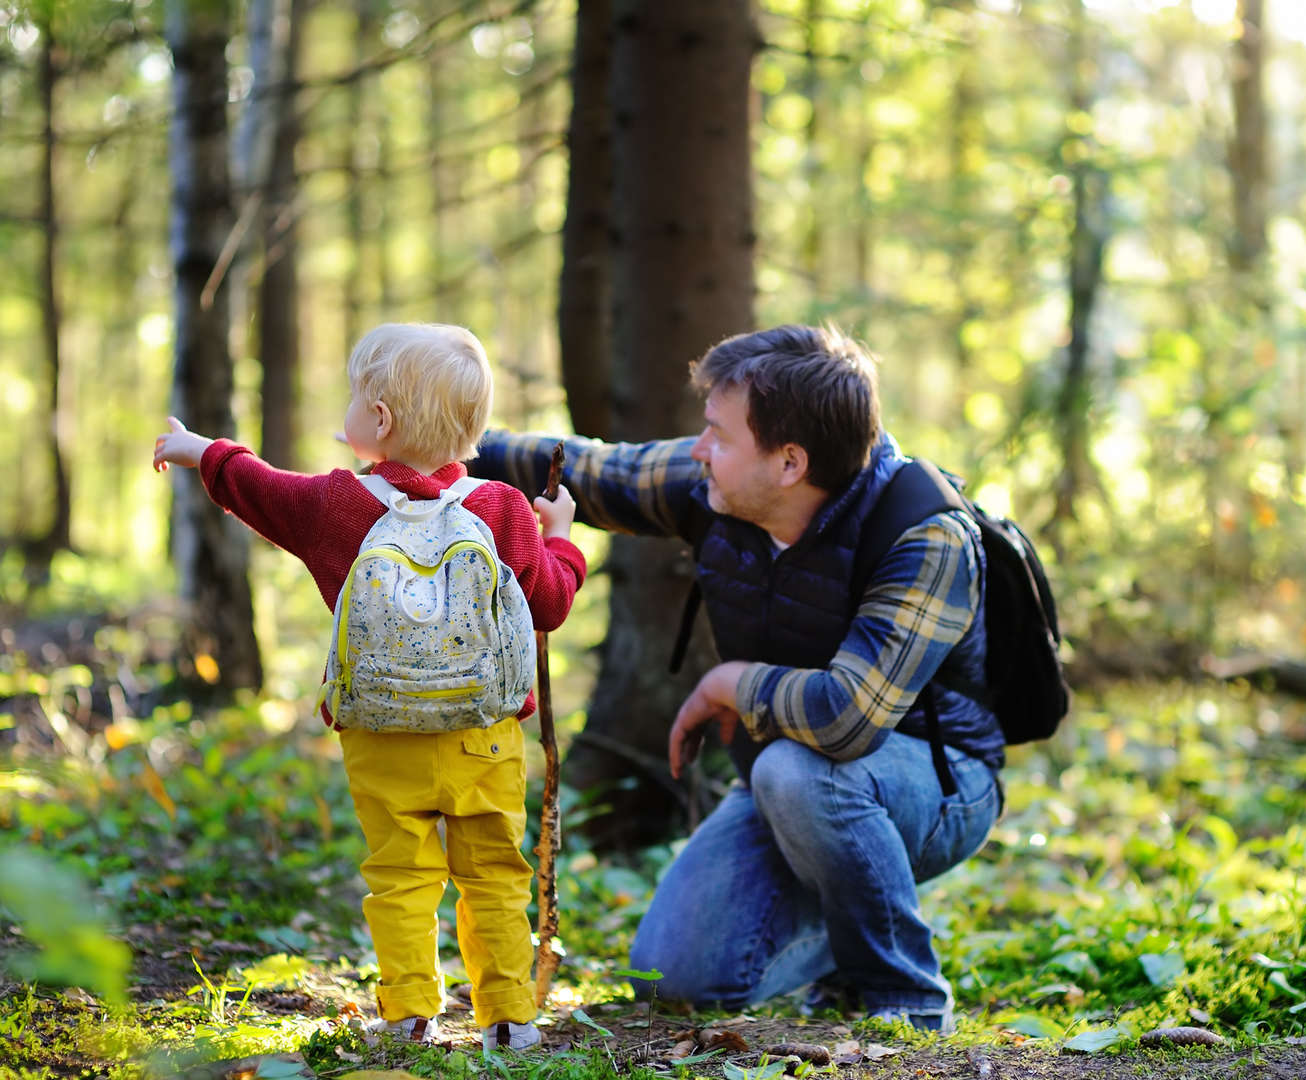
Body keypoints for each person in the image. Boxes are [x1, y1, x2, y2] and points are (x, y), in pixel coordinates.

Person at [467, 323, 1003, 1031]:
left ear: (789, 463)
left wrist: (732, 683)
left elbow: (848, 717)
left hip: (938, 787)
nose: (699, 450)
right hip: (794, 784)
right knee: (674, 980)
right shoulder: (717, 484)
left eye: (718, 435)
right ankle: (847, 931)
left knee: (795, 770)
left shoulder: (924, 532)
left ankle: (903, 998)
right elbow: (589, 471)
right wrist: (440, 449)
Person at [153, 322, 587, 1048]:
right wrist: (563, 539)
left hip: (382, 734)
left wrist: (202, 452)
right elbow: (549, 605)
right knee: (494, 875)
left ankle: (411, 1011)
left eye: (356, 396)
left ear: (378, 420)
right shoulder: (502, 509)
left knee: (401, 875)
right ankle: (510, 1019)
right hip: (485, 735)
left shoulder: (337, 506)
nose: (347, 410)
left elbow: (258, 488)